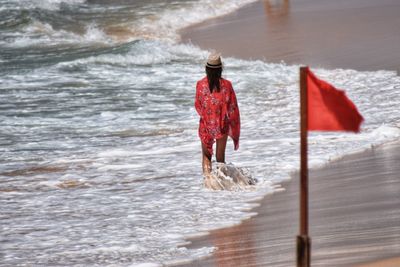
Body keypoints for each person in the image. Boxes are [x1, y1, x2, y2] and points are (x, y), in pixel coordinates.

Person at [195, 52, 240, 178]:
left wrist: (208, 117)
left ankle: (208, 183)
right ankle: (221, 184)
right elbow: (233, 107)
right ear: (220, 69)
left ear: (206, 69)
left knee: (206, 156)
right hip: (222, 124)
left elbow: (198, 105)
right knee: (220, 158)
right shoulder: (227, 85)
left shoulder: (200, 84)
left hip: (206, 124)